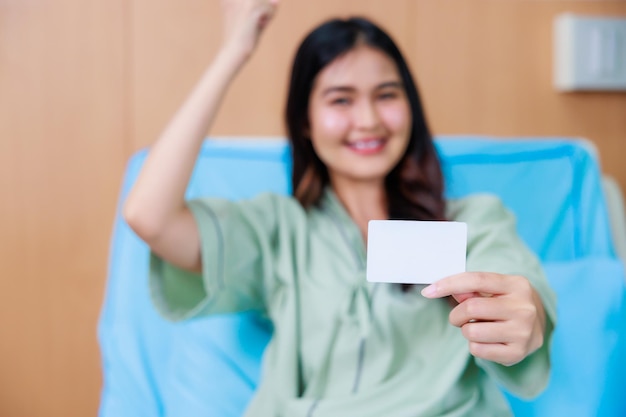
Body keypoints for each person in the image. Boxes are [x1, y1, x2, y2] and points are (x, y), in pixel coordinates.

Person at [123, 1, 556, 416]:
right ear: (306, 121)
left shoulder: (471, 221)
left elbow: (517, 286)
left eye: (386, 95)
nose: (367, 120)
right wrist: (233, 53)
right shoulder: (277, 231)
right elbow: (149, 216)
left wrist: (524, 314)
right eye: (341, 100)